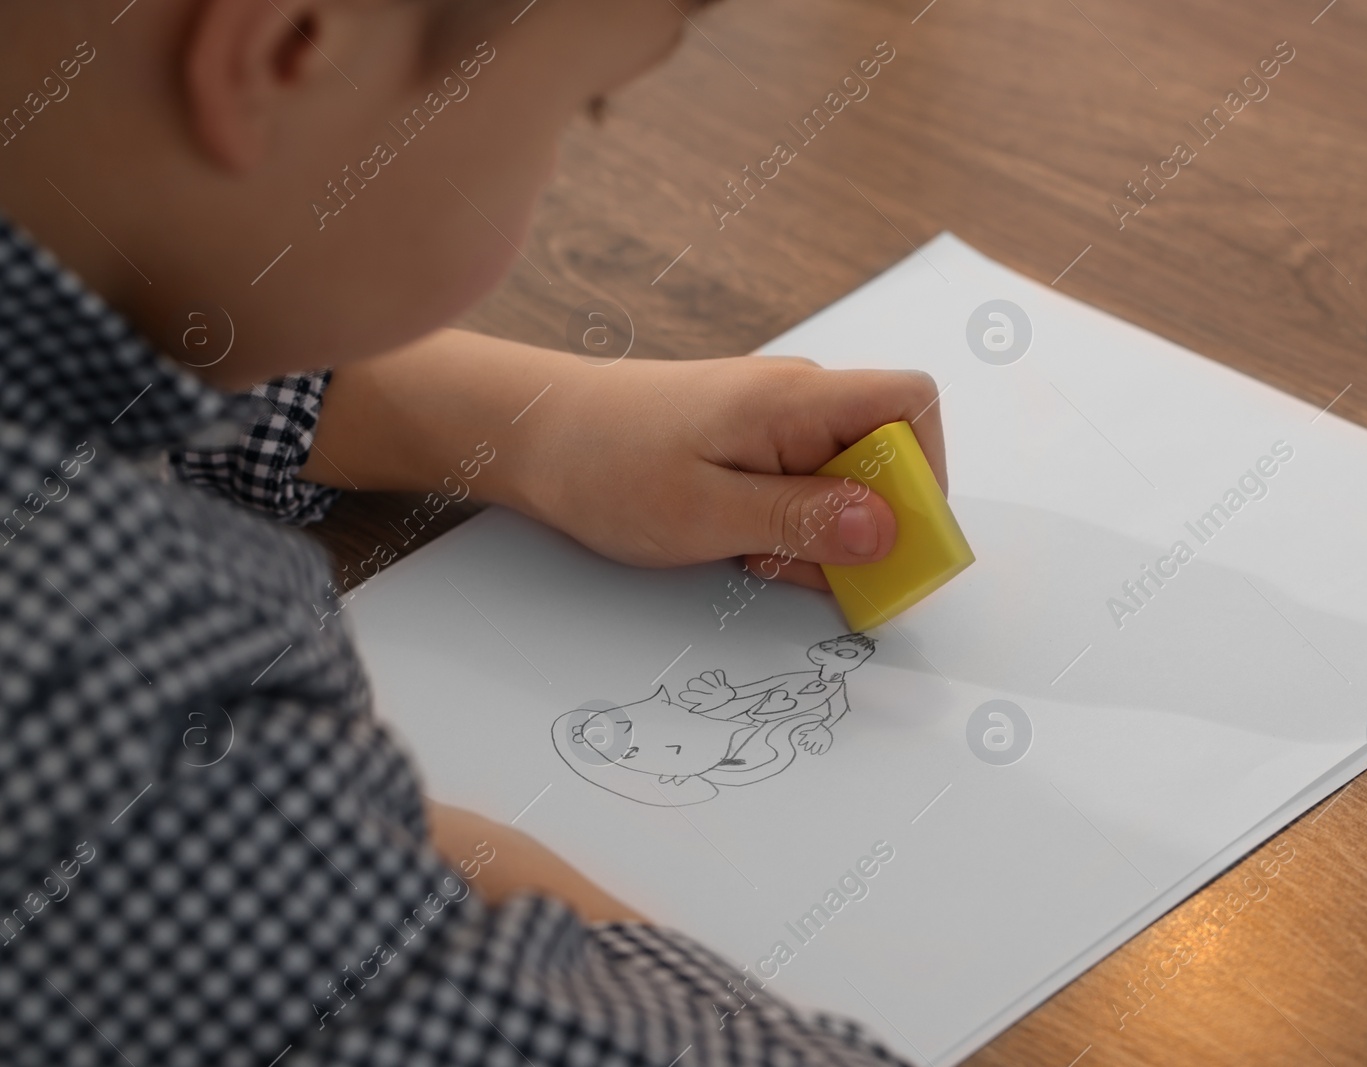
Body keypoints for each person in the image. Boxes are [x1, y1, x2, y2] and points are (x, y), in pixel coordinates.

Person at [0, 2, 946, 1064]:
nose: (556, 166)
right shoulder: (110, 706)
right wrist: (444, 866)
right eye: (579, 107)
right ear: (292, 48)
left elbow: (120, 323)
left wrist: (542, 425)